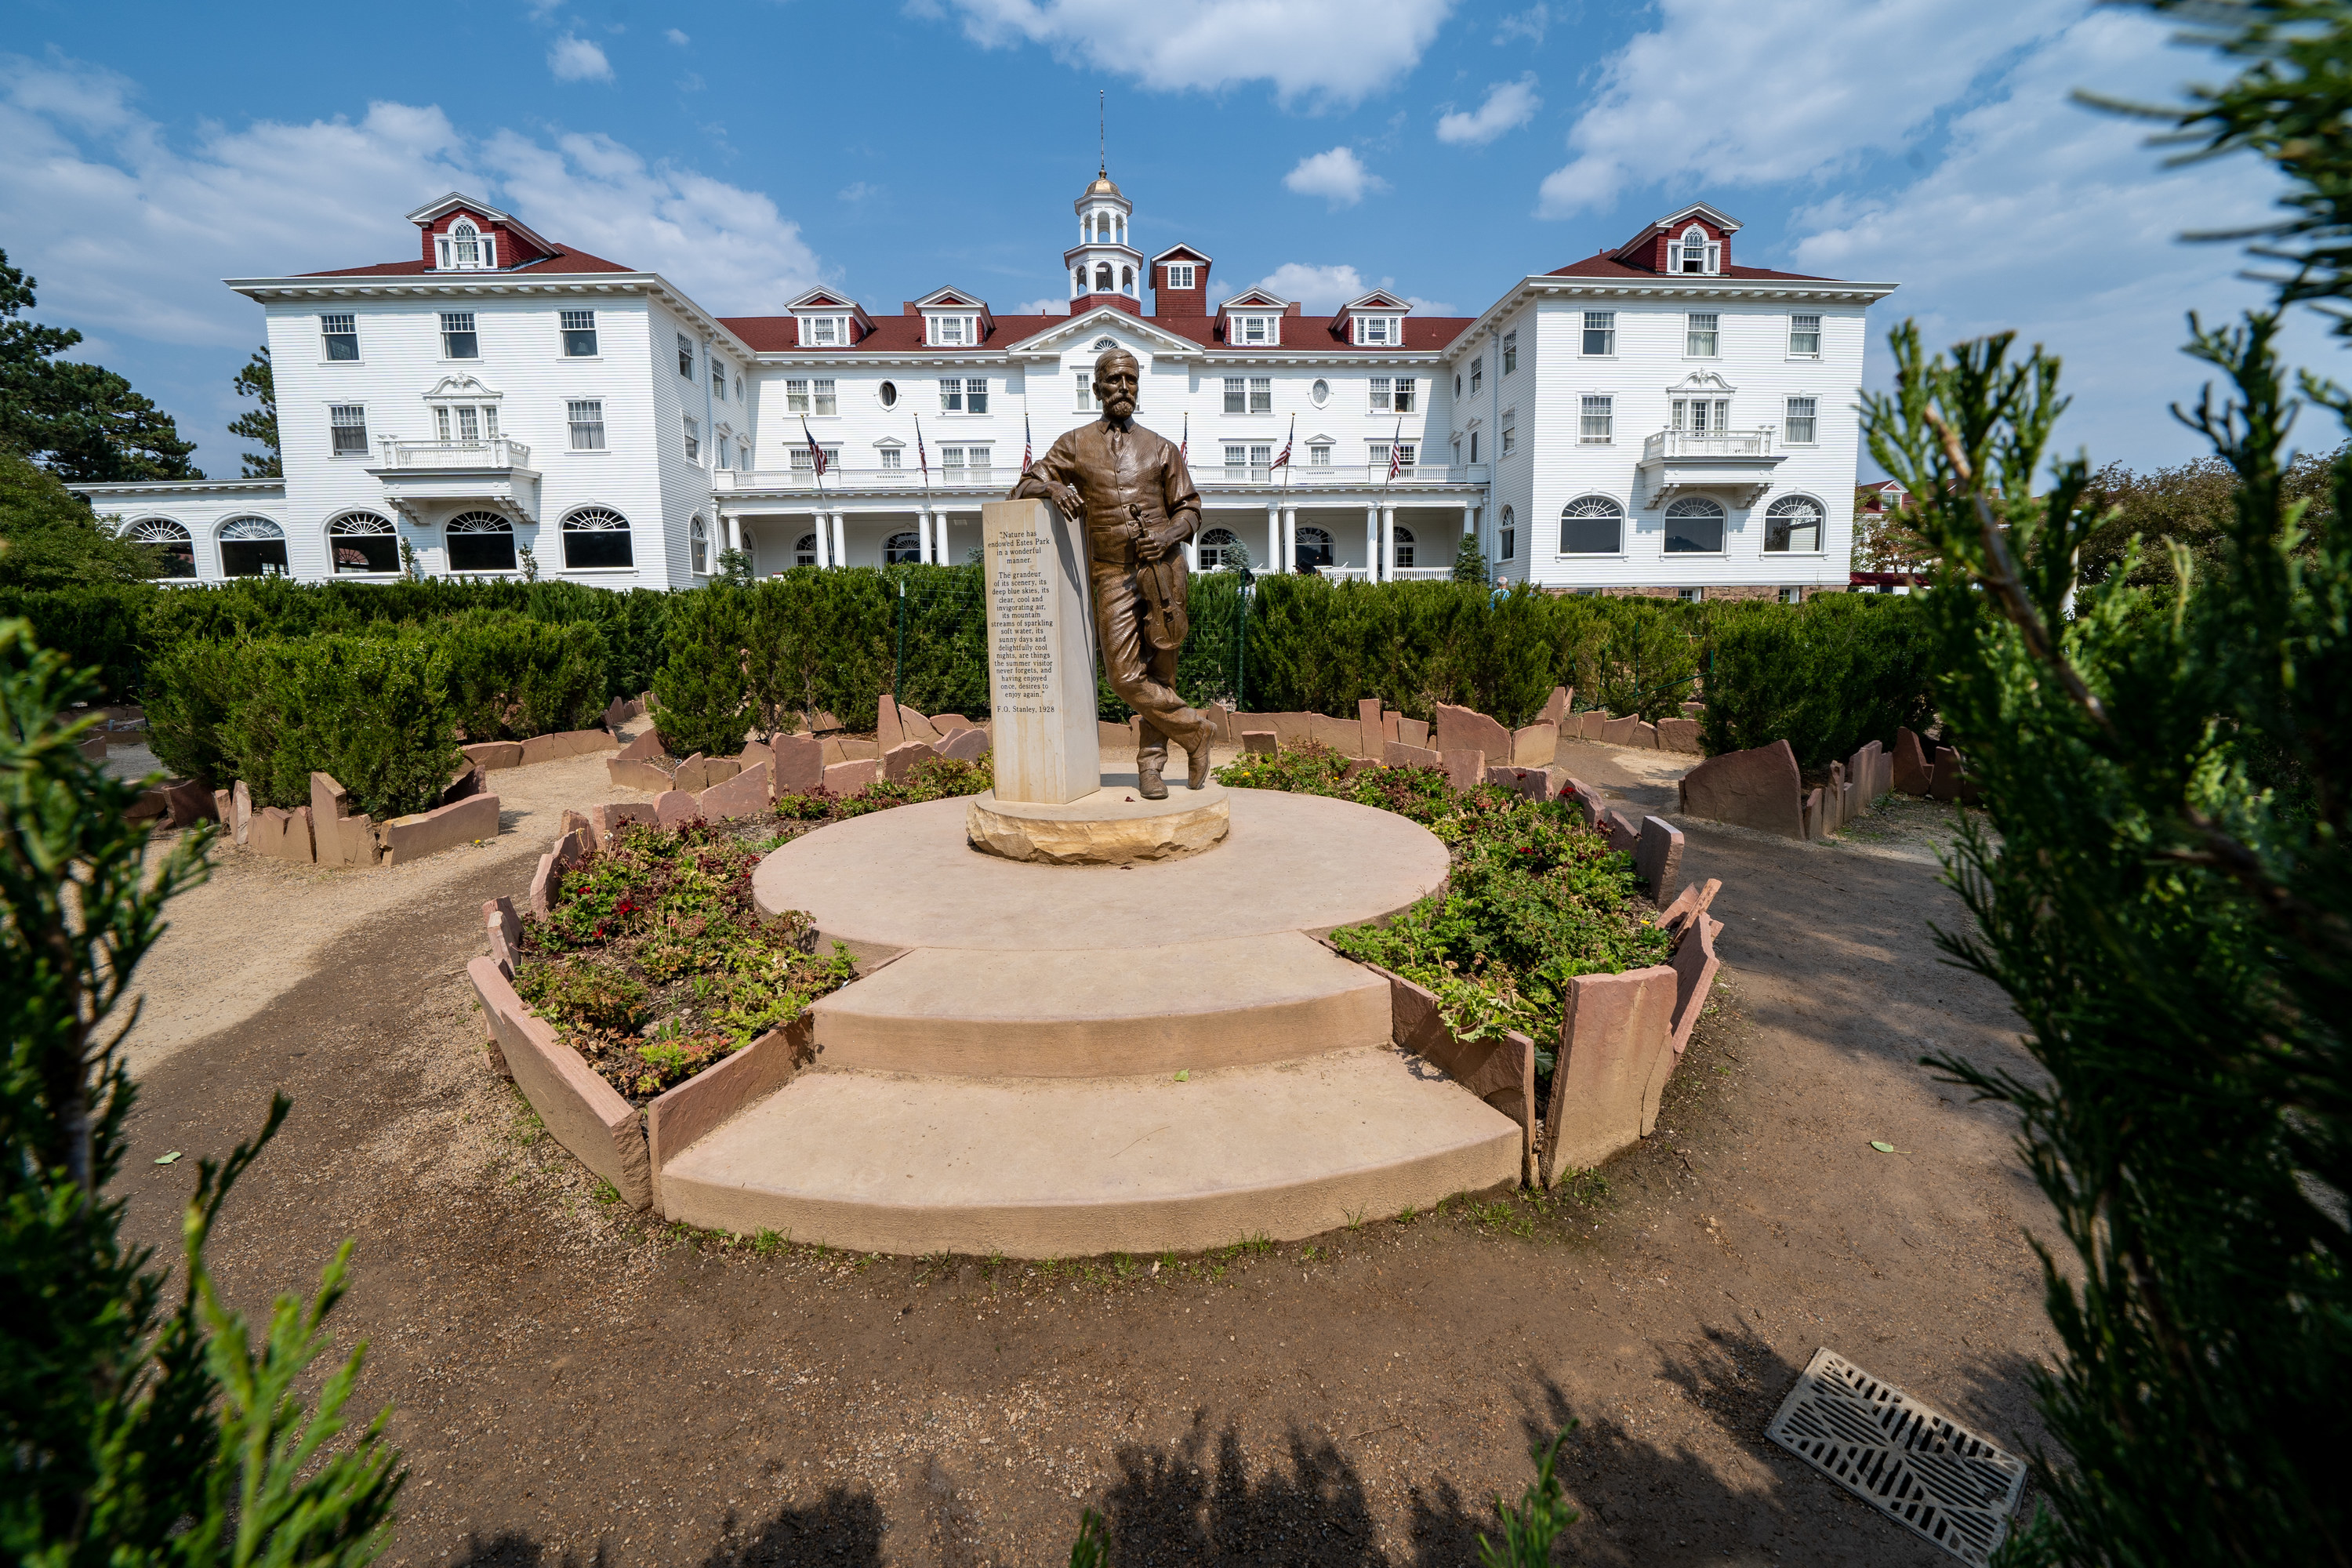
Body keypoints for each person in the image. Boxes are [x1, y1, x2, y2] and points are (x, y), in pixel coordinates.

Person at [1011, 348, 1218, 799]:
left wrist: (1167, 536)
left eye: (1131, 381)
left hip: (1164, 573)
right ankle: (1195, 732)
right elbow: (1021, 485)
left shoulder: (1161, 448)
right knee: (1124, 676)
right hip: (1111, 573)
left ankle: (1151, 768)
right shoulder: (1074, 443)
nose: (1124, 388)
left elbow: (1191, 509)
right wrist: (1052, 486)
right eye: (1114, 381)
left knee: (1162, 672)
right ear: (1097, 387)